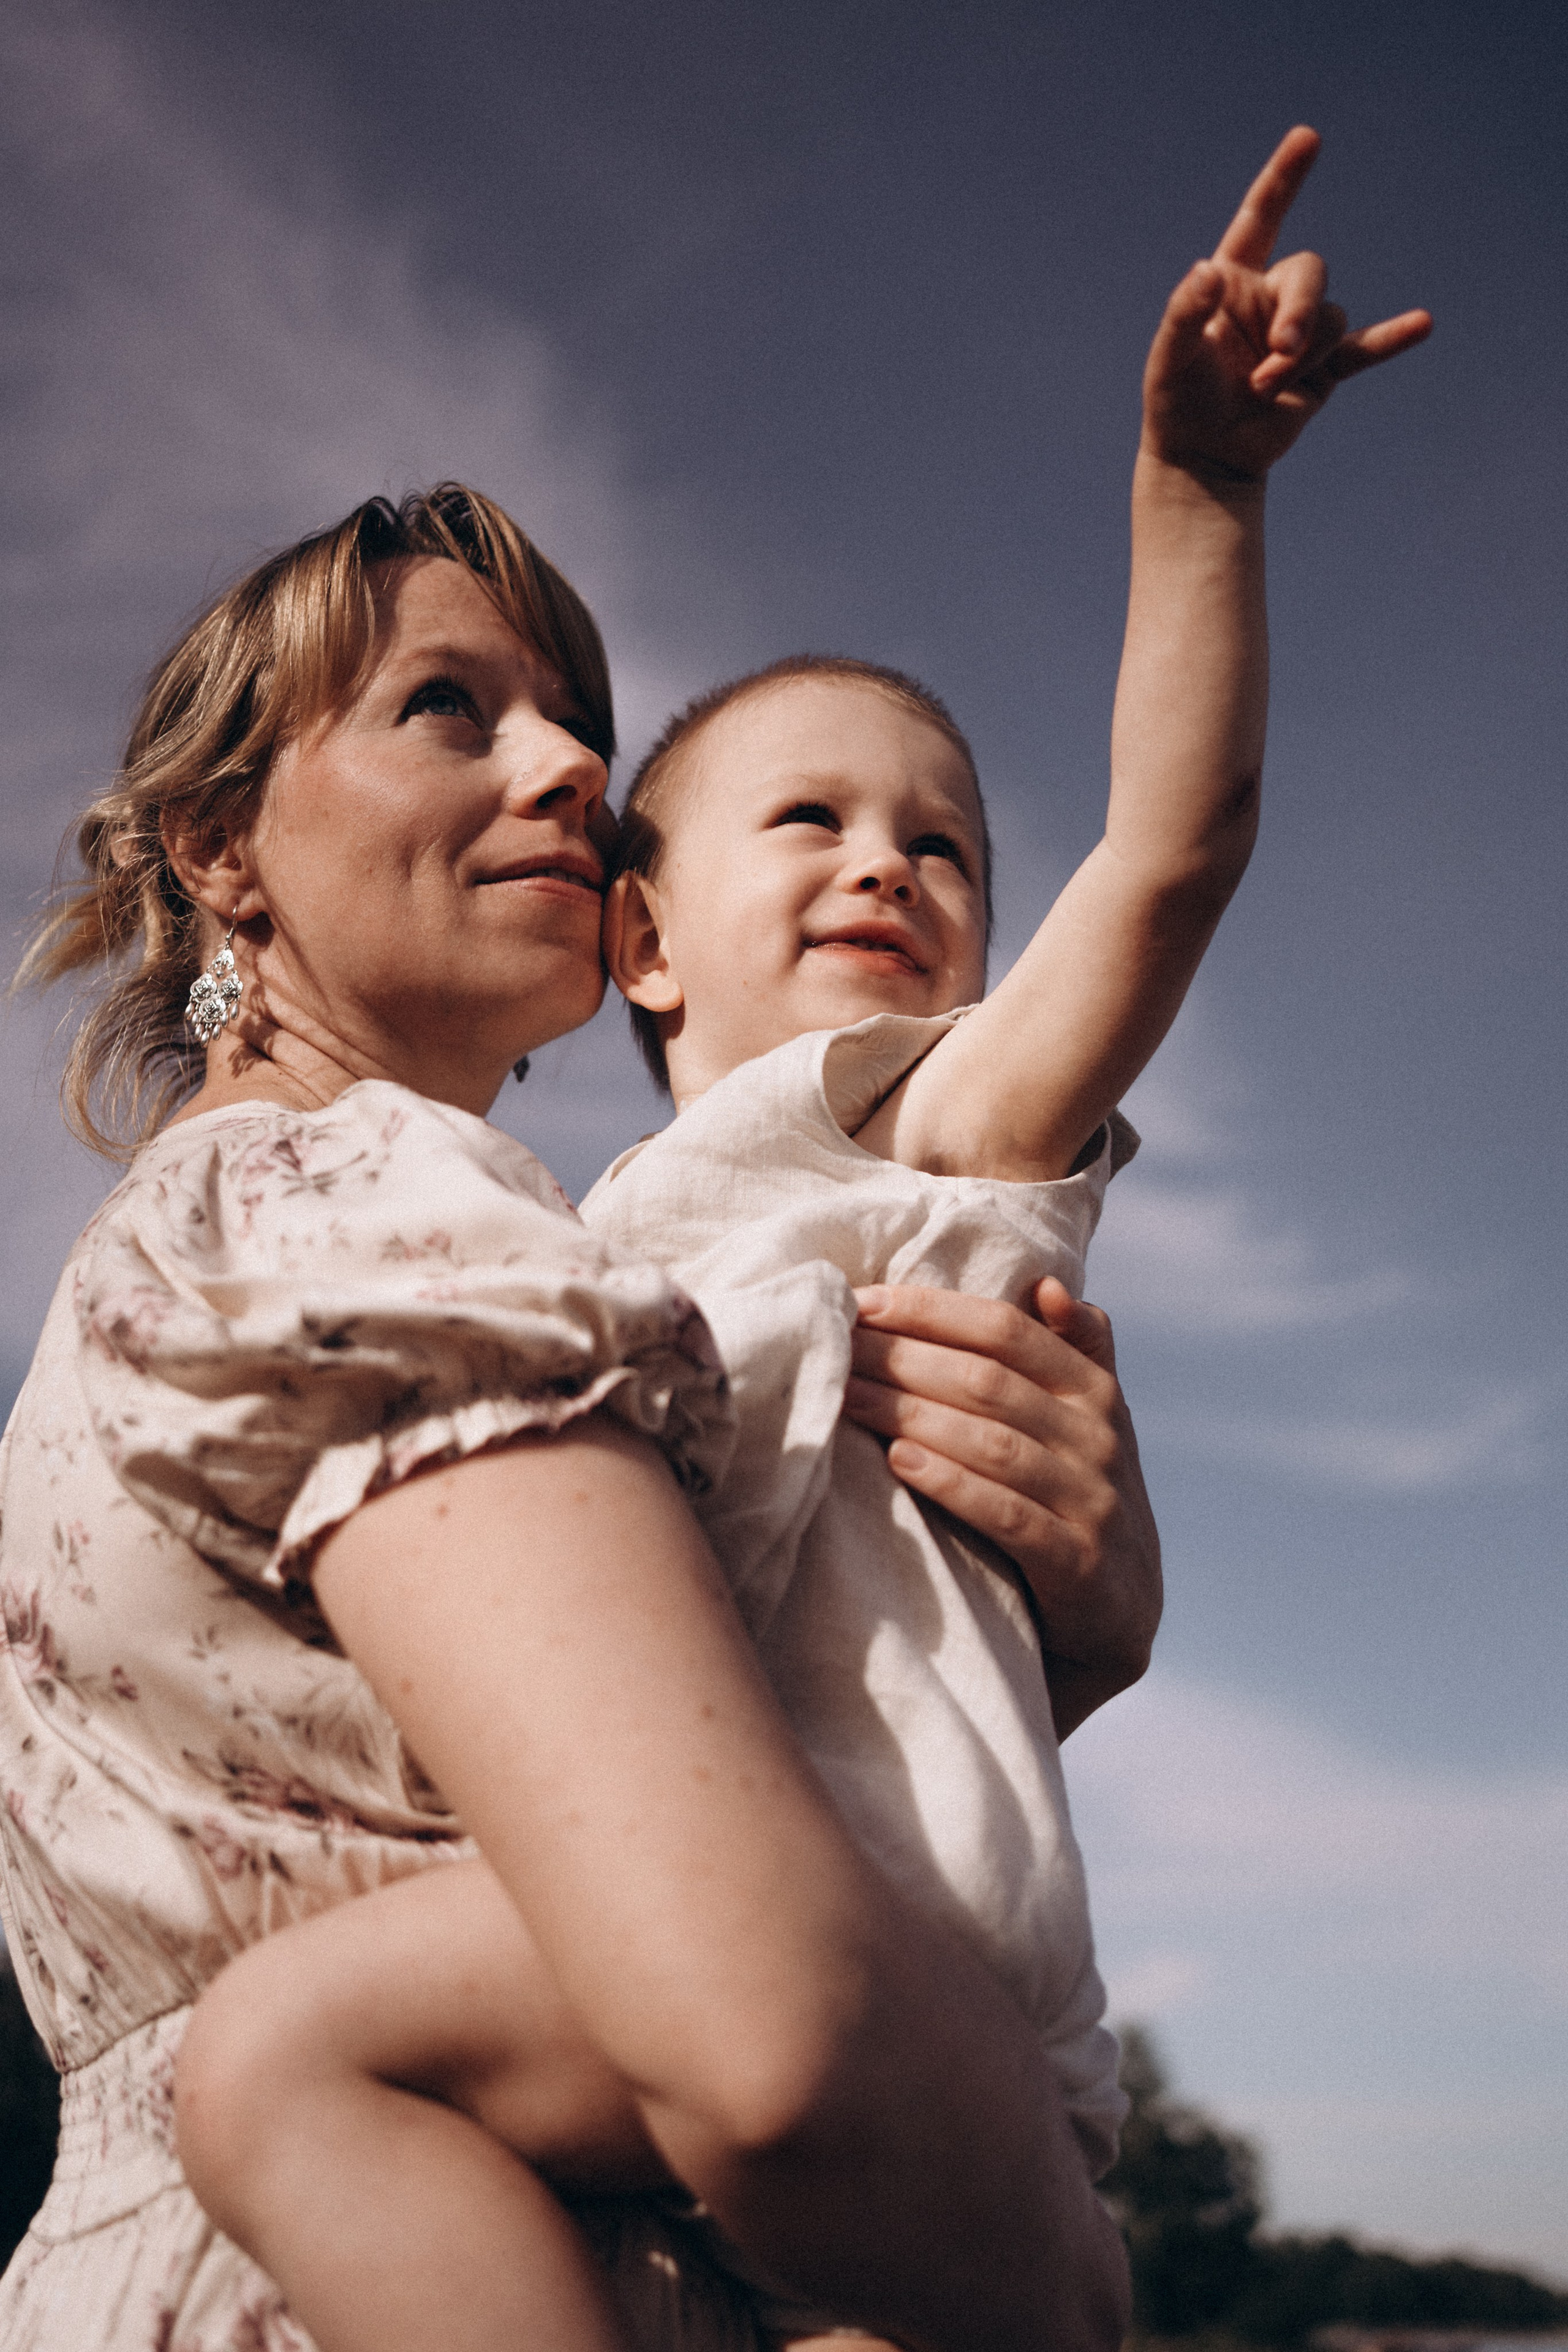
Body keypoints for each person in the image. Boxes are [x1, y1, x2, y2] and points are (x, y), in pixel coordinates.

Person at [162, 126, 1430, 2352]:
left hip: (873, 1940)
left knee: (279, 2056)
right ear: (639, 939)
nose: (893, 865)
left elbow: (1172, 848)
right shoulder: (582, 1224)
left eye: (944, 838)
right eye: (817, 817)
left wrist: (1198, 498)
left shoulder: (924, 1125)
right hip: (732, 1947)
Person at [0, 480, 1159, 2352]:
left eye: (575, 723)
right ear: (221, 847)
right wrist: (1073, 2260)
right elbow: (782, 2031)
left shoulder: (185, 1248)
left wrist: (1065, 1641)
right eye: (447, 708)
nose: (568, 769)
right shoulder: (372, 1205)